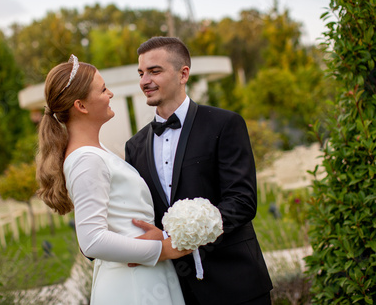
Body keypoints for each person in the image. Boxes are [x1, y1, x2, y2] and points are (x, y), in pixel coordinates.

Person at [125, 37, 273, 305]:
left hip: (237, 285)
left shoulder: (225, 124)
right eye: (141, 73)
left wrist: (172, 239)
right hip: (176, 291)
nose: (144, 81)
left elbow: (242, 201)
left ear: (183, 74)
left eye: (154, 71)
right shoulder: (134, 146)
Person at [35, 54, 190, 305]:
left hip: (144, 274)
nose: (110, 94)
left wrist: (159, 238)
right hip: (132, 284)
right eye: (103, 89)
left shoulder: (98, 152)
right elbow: (92, 240)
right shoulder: (87, 160)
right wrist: (162, 249)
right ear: (81, 106)